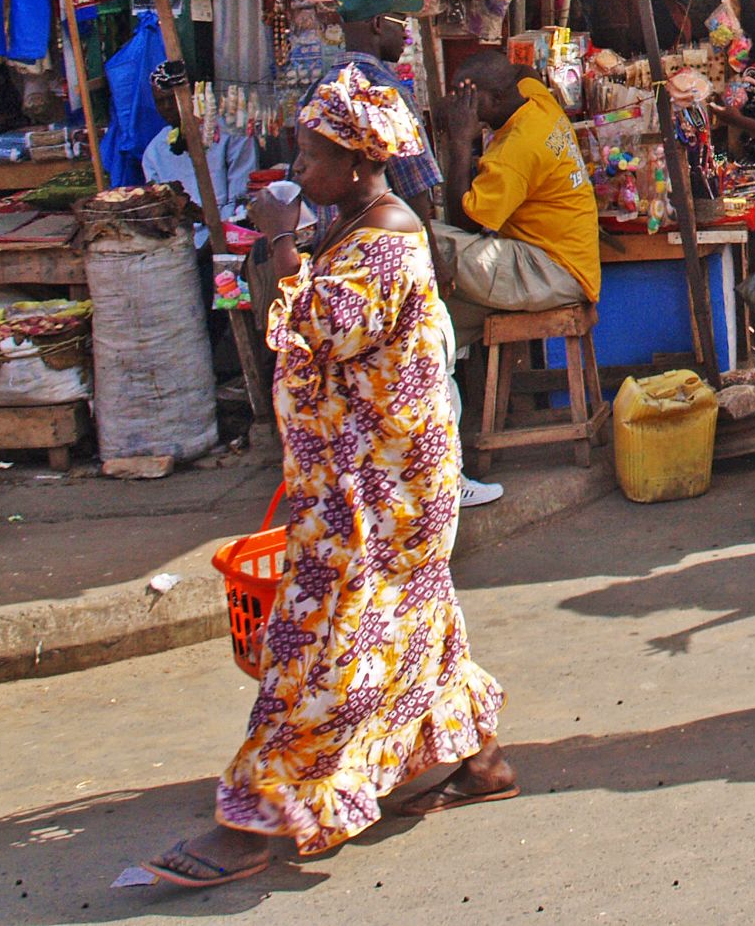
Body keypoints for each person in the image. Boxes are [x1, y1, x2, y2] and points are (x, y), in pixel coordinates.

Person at [142, 66, 510, 888]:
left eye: (309, 157)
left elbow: (304, 329)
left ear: (356, 161)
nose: (297, 171)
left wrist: (276, 236)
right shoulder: (356, 223)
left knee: (318, 646)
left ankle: (257, 818)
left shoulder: (382, 241)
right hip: (378, 481)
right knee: (417, 622)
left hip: (377, 493)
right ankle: (480, 760)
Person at [429, 51, 600, 337]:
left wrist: (458, 142)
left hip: (550, 272)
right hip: (567, 267)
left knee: (422, 241)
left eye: (470, 99)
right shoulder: (537, 101)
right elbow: (524, 72)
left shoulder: (517, 149)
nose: (464, 107)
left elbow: (464, 222)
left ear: (497, 99)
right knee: (435, 319)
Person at [317, 0, 443, 224]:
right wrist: (431, 254)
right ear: (377, 24)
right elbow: (414, 186)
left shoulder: (320, 88)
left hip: (334, 241)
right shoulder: (387, 91)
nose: (406, 34)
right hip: (382, 241)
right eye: (401, 22)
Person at [141, 63, 257, 247]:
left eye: (172, 99)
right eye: (160, 101)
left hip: (229, 236)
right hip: (181, 245)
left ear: (195, 97)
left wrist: (214, 236)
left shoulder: (232, 135)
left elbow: (241, 200)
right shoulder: (154, 152)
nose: (167, 107)